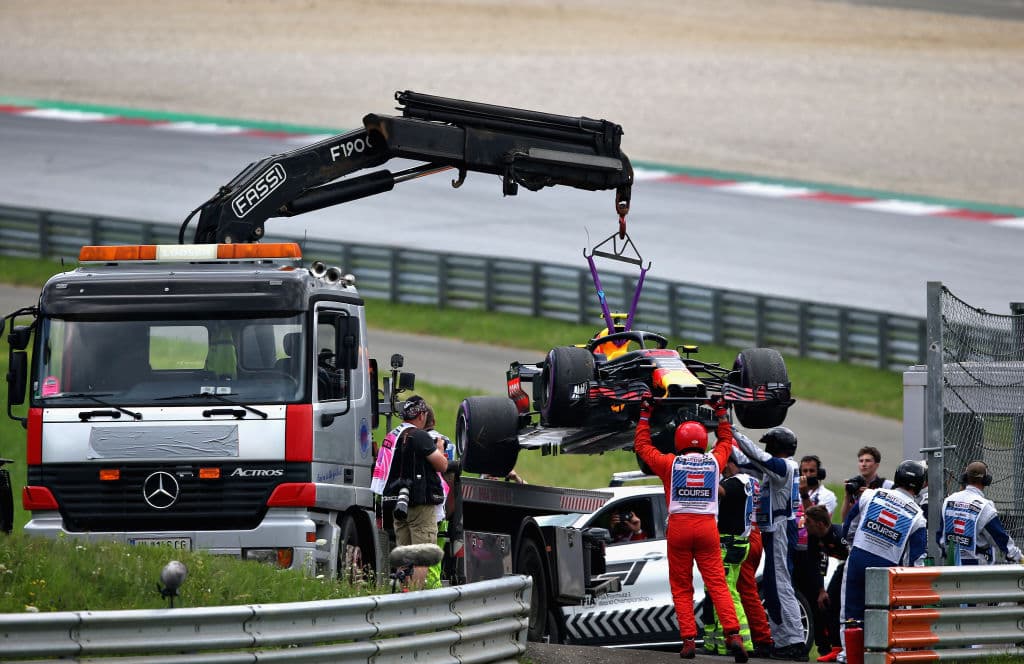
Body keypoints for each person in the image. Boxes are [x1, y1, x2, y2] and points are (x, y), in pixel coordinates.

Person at [634, 397, 749, 662]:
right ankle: (733, 635)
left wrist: (644, 414)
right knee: (718, 584)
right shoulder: (714, 461)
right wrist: (721, 413)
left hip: (679, 527)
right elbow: (725, 441)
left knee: (682, 586)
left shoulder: (669, 464)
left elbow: (641, 445)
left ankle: (688, 641)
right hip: (708, 527)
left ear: (679, 442)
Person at [839, 459, 927, 663]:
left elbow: (847, 526)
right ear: (921, 485)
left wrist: (854, 544)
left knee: (850, 611)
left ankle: (848, 655)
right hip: (887, 569)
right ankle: (879, 656)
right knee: (882, 614)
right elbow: (916, 561)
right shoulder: (918, 517)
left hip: (859, 556)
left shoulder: (871, 494)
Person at [731, 426, 807, 661]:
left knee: (782, 586)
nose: (766, 448)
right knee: (774, 588)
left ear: (777, 447)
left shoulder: (785, 467)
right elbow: (749, 458)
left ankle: (794, 642)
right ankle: (783, 640)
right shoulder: (778, 469)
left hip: (781, 531)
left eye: (770, 445)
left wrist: (732, 430)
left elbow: (757, 455)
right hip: (774, 533)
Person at [370, 395, 449, 589]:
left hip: (397, 504)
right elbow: (442, 465)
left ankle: (402, 593)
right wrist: (438, 448)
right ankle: (413, 598)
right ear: (421, 415)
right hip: (419, 505)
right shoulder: (419, 436)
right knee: (422, 555)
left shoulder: (392, 436)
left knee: (404, 554)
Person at [702, 456, 758, 656]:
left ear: (731, 464)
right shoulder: (748, 482)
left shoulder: (738, 481)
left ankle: (742, 643)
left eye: (723, 467)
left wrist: (703, 475)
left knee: (726, 593)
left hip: (729, 544)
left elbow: (720, 492)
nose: (723, 471)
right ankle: (714, 644)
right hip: (737, 543)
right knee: (718, 591)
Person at [940, 461, 1022, 566]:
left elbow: (941, 535)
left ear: (965, 477)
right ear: (986, 480)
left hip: (951, 564)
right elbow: (1000, 539)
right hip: (976, 567)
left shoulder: (948, 500)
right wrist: (1019, 557)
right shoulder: (985, 507)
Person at [803, 505, 849, 663]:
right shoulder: (814, 536)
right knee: (828, 603)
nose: (804, 524)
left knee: (839, 603)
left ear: (820, 524)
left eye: (808, 521)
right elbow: (815, 563)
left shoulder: (840, 535)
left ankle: (845, 647)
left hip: (853, 565)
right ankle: (834, 648)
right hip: (843, 565)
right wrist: (821, 590)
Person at [840, 446, 892, 520]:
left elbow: (890, 515)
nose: (863, 464)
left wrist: (870, 496)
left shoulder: (886, 485)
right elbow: (844, 519)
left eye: (867, 461)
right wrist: (847, 496)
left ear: (876, 465)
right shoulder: (854, 484)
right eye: (861, 461)